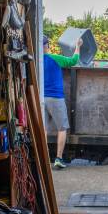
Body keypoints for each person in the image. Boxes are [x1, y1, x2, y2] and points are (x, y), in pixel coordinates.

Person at [43, 35, 83, 169]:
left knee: (43, 129)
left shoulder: (34, 60)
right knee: (62, 128)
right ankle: (58, 158)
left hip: (40, 98)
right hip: (55, 98)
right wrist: (77, 47)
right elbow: (73, 61)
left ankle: (41, 158)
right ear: (46, 45)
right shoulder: (55, 58)